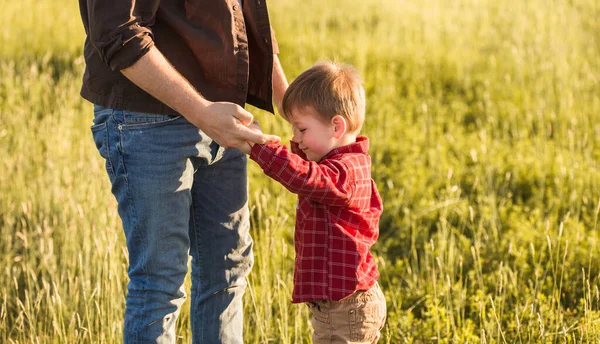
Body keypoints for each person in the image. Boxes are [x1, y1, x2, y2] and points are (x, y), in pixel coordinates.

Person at [78, 0, 287, 342]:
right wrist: (201, 112)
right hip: (146, 118)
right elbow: (118, 31)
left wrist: (292, 104)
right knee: (159, 283)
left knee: (227, 269)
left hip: (223, 112)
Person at [240, 62, 387, 343]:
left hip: (348, 309)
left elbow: (306, 177)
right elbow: (305, 166)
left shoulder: (348, 171)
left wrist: (260, 148)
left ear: (336, 126)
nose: (296, 139)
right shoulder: (334, 162)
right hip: (339, 307)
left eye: (301, 130)